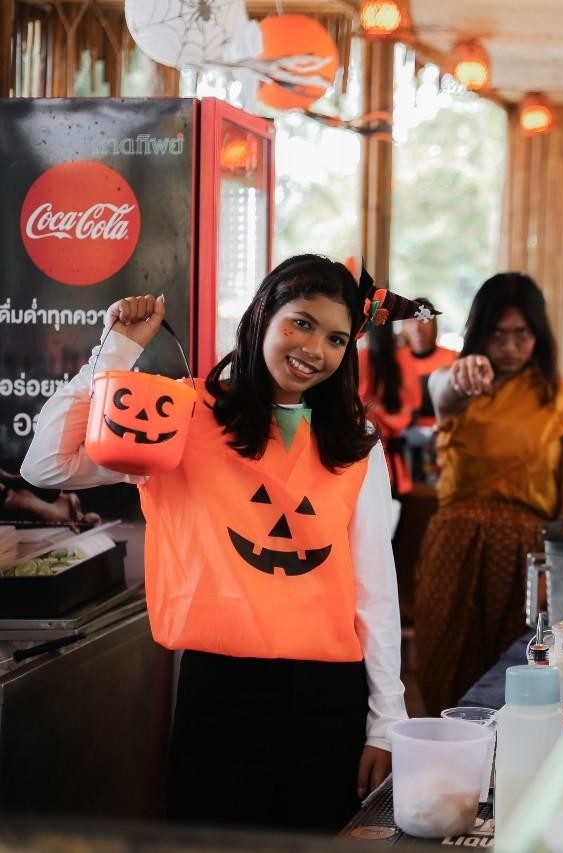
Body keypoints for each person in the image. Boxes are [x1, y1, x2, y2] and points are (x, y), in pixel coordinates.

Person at [20, 255, 420, 833]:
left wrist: (386, 723)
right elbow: (47, 466)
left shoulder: (355, 440)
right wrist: (115, 353)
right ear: (262, 315)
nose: (315, 349)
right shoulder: (182, 416)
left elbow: (374, 590)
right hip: (220, 692)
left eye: (336, 338)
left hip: (329, 697)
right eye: (301, 323)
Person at [414, 272, 563, 715]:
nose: (510, 347)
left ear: (539, 335)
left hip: (526, 556)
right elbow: (440, 390)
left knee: (514, 676)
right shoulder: (459, 383)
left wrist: (556, 574)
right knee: (442, 667)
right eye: (497, 335)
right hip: (453, 548)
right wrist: (460, 376)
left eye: (521, 334)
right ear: (479, 334)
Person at [359, 316, 429, 495]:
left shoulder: (361, 358)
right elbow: (413, 410)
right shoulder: (404, 358)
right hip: (396, 462)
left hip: (365, 459)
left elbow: (355, 406)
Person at [404, 297, 457, 427]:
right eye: (411, 320)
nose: (416, 327)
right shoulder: (396, 360)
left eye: (423, 319)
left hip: (443, 429)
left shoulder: (453, 358)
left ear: (434, 324)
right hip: (404, 432)